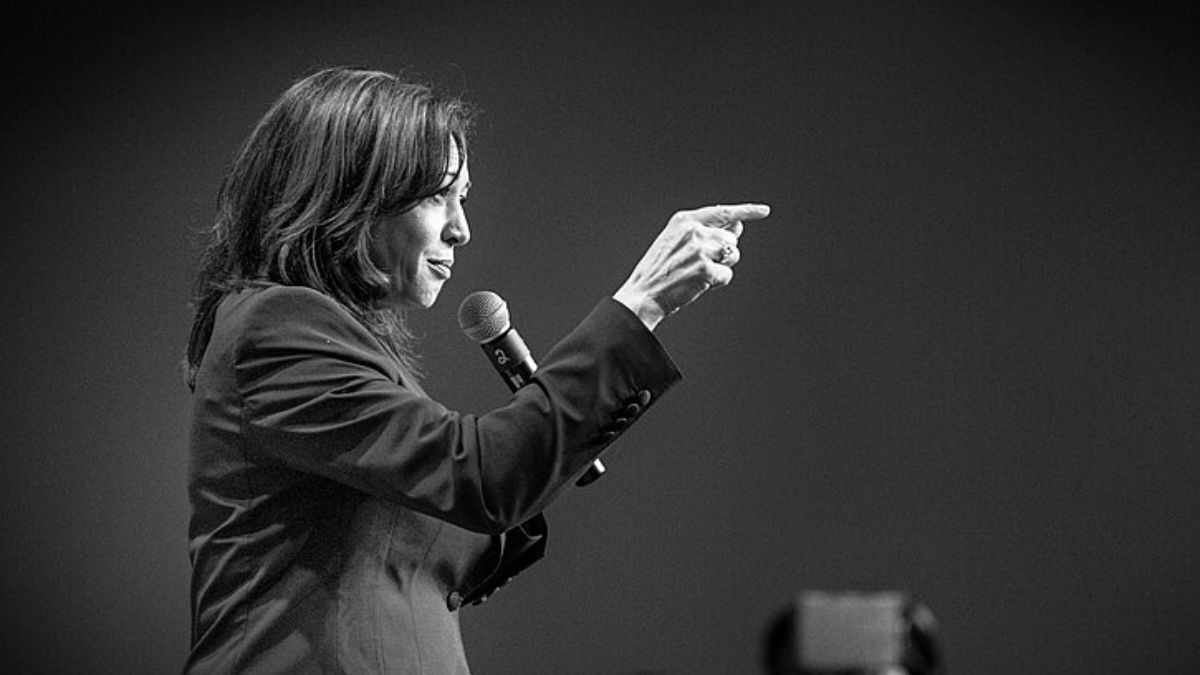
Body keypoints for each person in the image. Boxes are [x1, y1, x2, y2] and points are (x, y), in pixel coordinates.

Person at [182, 66, 769, 674]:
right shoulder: (277, 327)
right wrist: (642, 301)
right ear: (350, 193)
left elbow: (465, 501)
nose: (461, 228)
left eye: (462, 197)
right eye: (438, 194)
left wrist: (542, 443)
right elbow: (479, 479)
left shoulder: (320, 340)